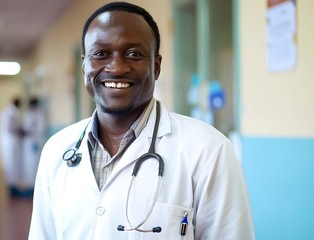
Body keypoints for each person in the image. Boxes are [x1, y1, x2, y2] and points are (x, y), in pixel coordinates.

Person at [28, 2, 255, 240]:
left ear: (156, 67)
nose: (116, 68)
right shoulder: (57, 150)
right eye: (100, 54)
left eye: (133, 54)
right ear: (84, 66)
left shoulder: (208, 150)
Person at [0, 97, 25, 196]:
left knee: (13, 164)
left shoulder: (10, 113)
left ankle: (13, 186)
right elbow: (9, 128)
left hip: (12, 142)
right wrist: (20, 130)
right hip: (10, 143)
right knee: (11, 164)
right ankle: (12, 187)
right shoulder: (8, 114)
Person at [21, 97, 47, 196]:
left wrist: (33, 135)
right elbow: (26, 126)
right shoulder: (29, 113)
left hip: (35, 141)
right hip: (28, 141)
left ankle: (34, 188)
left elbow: (40, 128)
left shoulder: (39, 113)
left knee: (34, 164)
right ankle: (29, 186)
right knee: (29, 164)